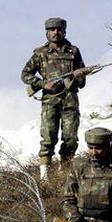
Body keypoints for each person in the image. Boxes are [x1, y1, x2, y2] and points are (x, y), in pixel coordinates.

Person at [21, 17, 88, 180]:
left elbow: (82, 82)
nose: (55, 33)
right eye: (52, 30)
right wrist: (43, 84)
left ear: (64, 31)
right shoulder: (40, 53)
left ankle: (64, 173)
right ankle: (45, 176)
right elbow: (25, 74)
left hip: (70, 100)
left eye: (59, 30)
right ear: (47, 33)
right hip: (50, 101)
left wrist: (79, 76)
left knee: (70, 138)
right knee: (48, 137)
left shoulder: (73, 52)